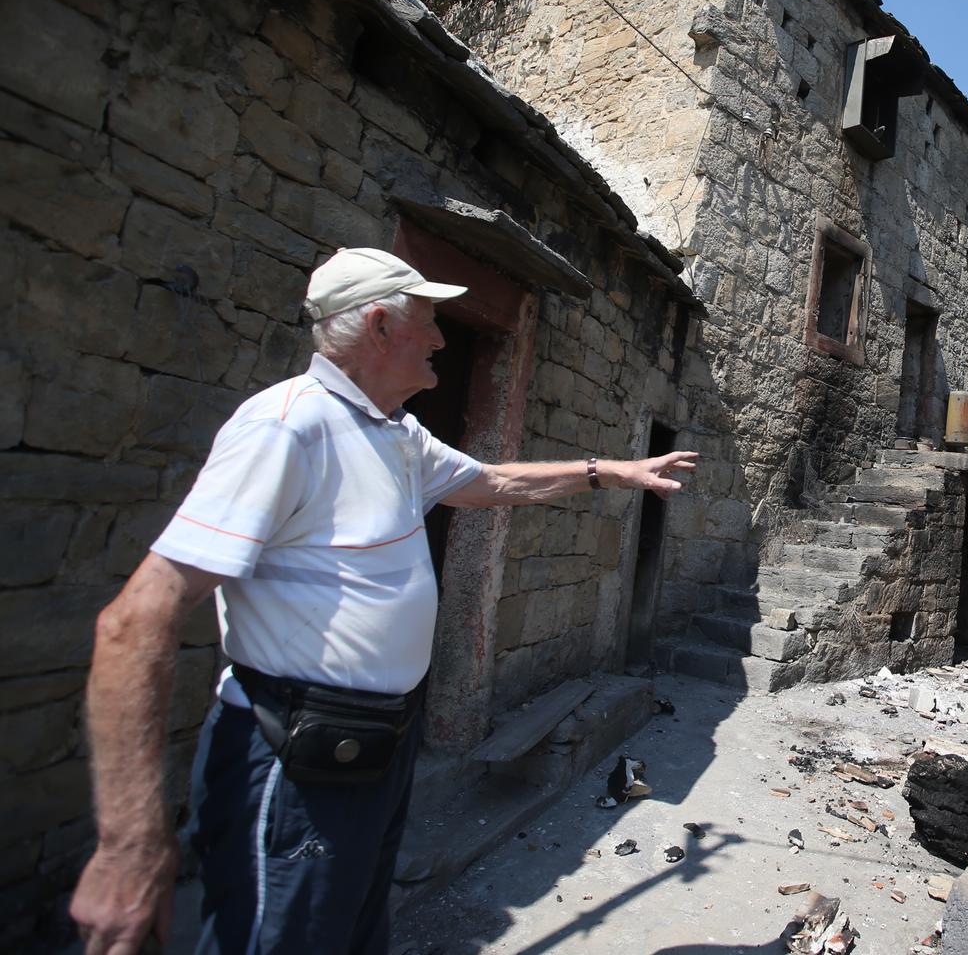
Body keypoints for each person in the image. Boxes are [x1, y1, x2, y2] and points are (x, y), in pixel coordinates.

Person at [69, 248, 698, 955]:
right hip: (295, 764)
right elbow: (133, 623)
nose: (439, 337)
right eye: (428, 321)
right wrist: (127, 846)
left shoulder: (393, 432)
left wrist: (609, 471)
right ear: (376, 326)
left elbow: (491, 482)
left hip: (374, 753)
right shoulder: (288, 427)